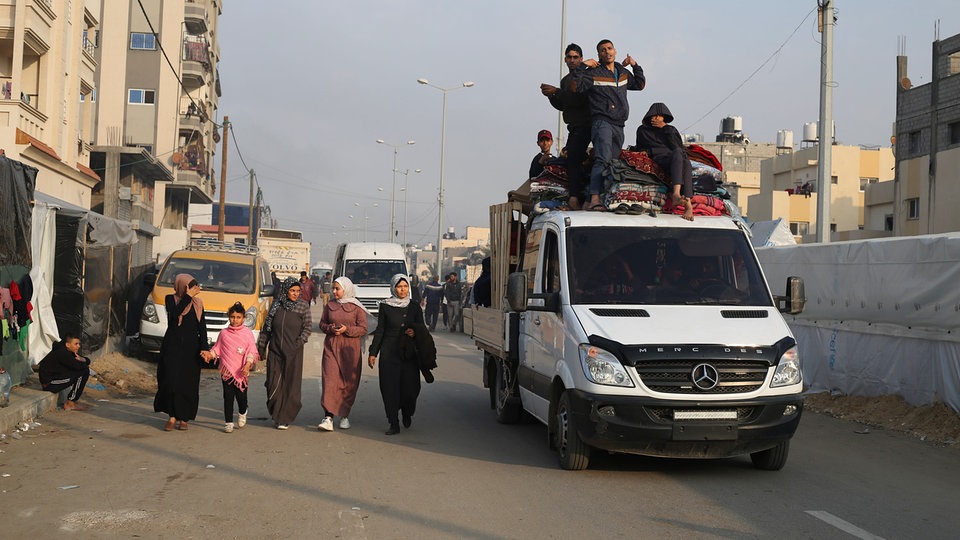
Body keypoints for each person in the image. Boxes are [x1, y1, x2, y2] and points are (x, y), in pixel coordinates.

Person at [574, 39, 646, 211]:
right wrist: (582, 66)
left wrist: (635, 65)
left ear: (615, 51)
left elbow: (640, 84)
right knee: (602, 159)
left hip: (619, 124)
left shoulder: (622, 72)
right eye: (603, 50)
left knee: (613, 163)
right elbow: (575, 86)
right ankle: (594, 199)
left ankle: (600, 198)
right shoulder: (593, 72)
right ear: (599, 54)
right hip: (602, 121)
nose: (607, 52)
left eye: (609, 48)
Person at [368, 274, 436, 435]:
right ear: (393, 288)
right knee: (390, 388)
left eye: (405, 286)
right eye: (399, 287)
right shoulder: (385, 306)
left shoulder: (414, 306)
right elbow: (380, 330)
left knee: (411, 389)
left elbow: (422, 328)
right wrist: (373, 352)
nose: (403, 290)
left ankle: (407, 411)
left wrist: (415, 331)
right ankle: (393, 422)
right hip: (388, 351)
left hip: (409, 352)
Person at [154, 274, 209, 431]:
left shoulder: (197, 304)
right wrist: (187, 297)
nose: (194, 291)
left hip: (191, 349)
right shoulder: (170, 299)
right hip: (172, 347)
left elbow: (202, 327)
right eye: (191, 287)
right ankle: (171, 416)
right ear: (183, 287)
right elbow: (175, 314)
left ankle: (184, 418)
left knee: (188, 383)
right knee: (170, 380)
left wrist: (204, 347)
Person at [541, 43, 592, 209]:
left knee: (576, 161)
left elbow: (578, 100)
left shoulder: (585, 77)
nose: (572, 60)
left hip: (587, 126)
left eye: (575, 57)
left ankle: (575, 199)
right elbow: (564, 105)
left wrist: (556, 91)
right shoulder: (566, 80)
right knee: (570, 162)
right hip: (574, 127)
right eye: (569, 57)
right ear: (565, 59)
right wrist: (551, 96)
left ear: (581, 59)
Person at [257, 277, 312, 429]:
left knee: (290, 385)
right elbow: (267, 328)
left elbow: (307, 328)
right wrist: (261, 347)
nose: (295, 294)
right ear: (285, 290)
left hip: (294, 352)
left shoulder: (303, 306)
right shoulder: (276, 305)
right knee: (272, 383)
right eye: (292, 290)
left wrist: (298, 343)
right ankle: (276, 412)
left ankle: (284, 417)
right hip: (275, 351)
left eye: (298, 291)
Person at [317, 277, 368, 431]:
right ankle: (328, 417)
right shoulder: (330, 305)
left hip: (350, 349)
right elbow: (322, 324)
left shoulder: (356, 307)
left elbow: (363, 329)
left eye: (337, 289)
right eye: (333, 288)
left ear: (346, 289)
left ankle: (344, 415)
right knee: (330, 380)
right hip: (331, 346)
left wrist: (347, 330)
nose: (334, 291)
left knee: (348, 383)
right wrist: (330, 329)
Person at [201, 302, 259, 433]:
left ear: (243, 318)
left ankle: (243, 412)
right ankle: (228, 422)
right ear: (229, 317)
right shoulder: (224, 333)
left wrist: (247, 365)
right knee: (228, 397)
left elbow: (252, 351)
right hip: (226, 371)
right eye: (232, 317)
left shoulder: (247, 334)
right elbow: (217, 349)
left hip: (242, 372)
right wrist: (209, 355)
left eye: (238, 317)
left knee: (241, 398)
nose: (235, 320)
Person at [633, 102, 695, 221]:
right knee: (682, 159)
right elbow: (640, 146)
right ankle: (682, 200)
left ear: (664, 117)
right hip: (659, 159)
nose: (655, 118)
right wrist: (644, 151)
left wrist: (665, 128)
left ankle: (681, 198)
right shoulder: (642, 130)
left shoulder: (670, 129)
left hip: (675, 158)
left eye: (658, 116)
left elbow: (677, 147)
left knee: (684, 160)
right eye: (653, 116)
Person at [38, 333, 91, 411]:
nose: (78, 346)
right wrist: (83, 361)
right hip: (49, 383)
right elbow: (78, 366)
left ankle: (72, 401)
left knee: (84, 370)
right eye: (76, 344)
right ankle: (70, 403)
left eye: (79, 344)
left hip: (57, 378)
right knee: (83, 372)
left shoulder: (69, 351)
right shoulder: (62, 353)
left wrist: (84, 360)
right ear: (68, 344)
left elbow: (84, 361)